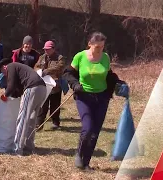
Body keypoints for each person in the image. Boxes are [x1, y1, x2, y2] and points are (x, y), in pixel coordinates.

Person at [64, 32, 128, 171]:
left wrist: (119, 83)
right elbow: (68, 73)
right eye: (97, 47)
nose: (100, 49)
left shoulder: (105, 57)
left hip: (102, 98)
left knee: (95, 132)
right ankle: (79, 156)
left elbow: (109, 75)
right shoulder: (80, 56)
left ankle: (86, 163)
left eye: (102, 47)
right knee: (87, 128)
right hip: (84, 96)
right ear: (90, 44)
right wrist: (75, 84)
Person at [0, 59, 47, 156]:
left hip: (32, 88)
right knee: (32, 119)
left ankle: (17, 149)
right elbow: (19, 89)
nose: (4, 74)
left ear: (4, 67)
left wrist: (5, 95)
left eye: (3, 72)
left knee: (23, 118)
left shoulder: (10, 67)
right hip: (42, 88)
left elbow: (11, 86)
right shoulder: (20, 69)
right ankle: (29, 147)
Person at [35, 40, 66, 130]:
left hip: (55, 86)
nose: (46, 51)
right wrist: (38, 71)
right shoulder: (42, 57)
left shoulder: (60, 58)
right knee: (43, 105)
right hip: (44, 85)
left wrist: (47, 71)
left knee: (55, 105)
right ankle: (39, 124)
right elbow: (36, 66)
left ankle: (55, 123)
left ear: (53, 49)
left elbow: (60, 67)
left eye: (48, 49)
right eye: (45, 49)